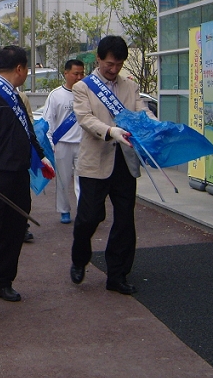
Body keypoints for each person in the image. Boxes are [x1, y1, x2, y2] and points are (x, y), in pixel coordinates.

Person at [0, 46, 53, 317]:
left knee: (14, 232)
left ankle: (3, 282)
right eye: (26, 68)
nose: (26, 73)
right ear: (19, 68)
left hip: (18, 175)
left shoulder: (15, 96)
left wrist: (40, 157)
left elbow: (28, 130)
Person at [69, 35, 156, 296]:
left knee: (125, 220)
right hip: (95, 161)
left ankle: (117, 274)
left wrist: (154, 124)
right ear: (98, 59)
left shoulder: (129, 86)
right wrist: (110, 131)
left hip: (124, 162)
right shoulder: (83, 87)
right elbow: (85, 119)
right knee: (89, 217)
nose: (114, 69)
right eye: (109, 64)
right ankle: (79, 257)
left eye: (118, 64)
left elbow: (141, 111)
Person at [43, 59, 86, 224]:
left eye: (82, 73)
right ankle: (64, 211)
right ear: (66, 73)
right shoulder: (56, 95)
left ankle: (84, 210)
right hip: (62, 144)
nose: (79, 77)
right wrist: (50, 144)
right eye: (76, 74)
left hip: (83, 144)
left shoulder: (87, 93)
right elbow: (48, 121)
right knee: (63, 181)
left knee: (83, 179)